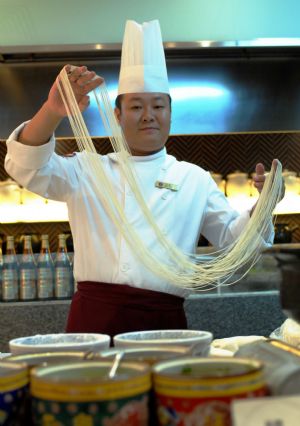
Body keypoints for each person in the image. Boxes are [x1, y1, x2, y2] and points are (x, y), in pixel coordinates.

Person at [5, 20, 279, 338]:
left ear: (170, 113)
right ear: (117, 115)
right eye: (136, 106)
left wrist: (266, 201)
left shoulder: (193, 179)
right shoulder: (86, 170)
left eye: (158, 105)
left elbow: (235, 242)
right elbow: (27, 164)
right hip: (94, 320)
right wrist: (52, 110)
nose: (148, 115)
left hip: (163, 322)